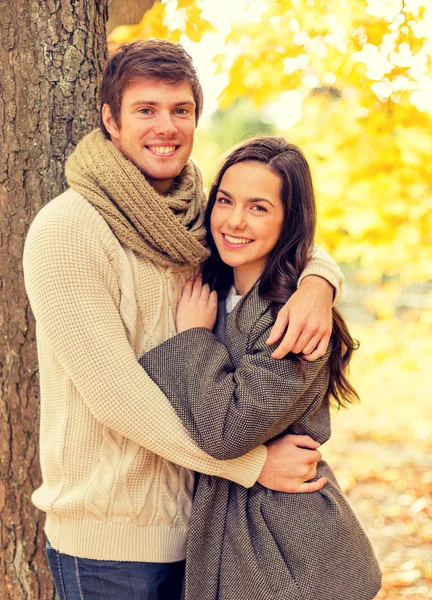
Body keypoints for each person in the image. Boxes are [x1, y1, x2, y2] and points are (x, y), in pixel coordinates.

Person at [23, 40, 345, 599]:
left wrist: (320, 281)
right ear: (110, 120)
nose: (165, 127)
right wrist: (251, 465)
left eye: (181, 110)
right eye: (145, 110)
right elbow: (117, 396)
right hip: (109, 541)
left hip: (201, 532)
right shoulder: (68, 230)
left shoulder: (198, 213)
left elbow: (274, 233)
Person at [140, 137, 382, 600]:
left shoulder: (295, 322)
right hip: (221, 529)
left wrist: (193, 337)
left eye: (258, 208)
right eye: (226, 201)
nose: (234, 221)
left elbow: (226, 431)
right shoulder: (212, 284)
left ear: (288, 221)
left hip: (284, 550)